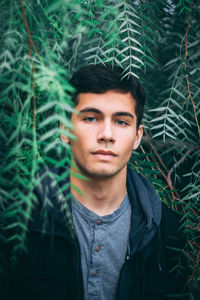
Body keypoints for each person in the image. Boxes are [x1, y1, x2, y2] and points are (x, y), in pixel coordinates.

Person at [0, 64, 187, 300]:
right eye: (90, 118)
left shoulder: (169, 235)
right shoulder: (18, 223)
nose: (107, 134)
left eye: (121, 122)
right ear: (65, 129)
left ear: (138, 137)